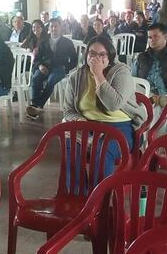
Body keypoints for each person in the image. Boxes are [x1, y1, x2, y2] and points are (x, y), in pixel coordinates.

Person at [62, 35, 148, 178]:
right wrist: (80, 121)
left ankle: (100, 197)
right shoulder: (76, 76)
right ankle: (78, 193)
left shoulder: (121, 72)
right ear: (86, 55)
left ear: (110, 57)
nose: (96, 59)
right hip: (88, 126)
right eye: (92, 54)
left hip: (119, 127)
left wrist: (98, 75)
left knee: (102, 149)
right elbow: (68, 110)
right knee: (70, 145)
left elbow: (113, 104)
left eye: (102, 55)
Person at [26, 18, 78, 120]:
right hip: (45, 67)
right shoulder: (44, 42)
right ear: (49, 28)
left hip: (59, 68)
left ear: (60, 27)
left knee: (51, 80)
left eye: (56, 26)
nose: (54, 28)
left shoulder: (67, 42)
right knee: (36, 77)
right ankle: (35, 105)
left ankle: (38, 106)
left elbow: (74, 60)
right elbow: (36, 59)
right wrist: (40, 66)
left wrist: (66, 67)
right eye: (51, 26)